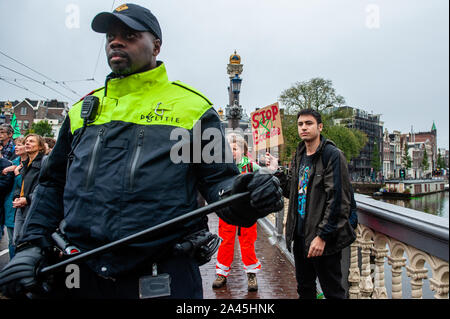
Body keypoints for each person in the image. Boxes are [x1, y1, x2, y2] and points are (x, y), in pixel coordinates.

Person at [0, 3, 283, 299]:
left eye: (130, 34)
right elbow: (52, 183)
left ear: (156, 46)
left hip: (162, 277)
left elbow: (218, 183)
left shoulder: (194, 110)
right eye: (110, 35)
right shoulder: (79, 113)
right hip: (78, 272)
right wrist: (32, 246)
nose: (116, 41)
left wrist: (246, 192)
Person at [266, 108, 356, 299]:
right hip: (300, 237)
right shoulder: (300, 154)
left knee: (333, 292)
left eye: (309, 123)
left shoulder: (332, 155)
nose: (304, 128)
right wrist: (277, 172)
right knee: (305, 289)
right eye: (300, 124)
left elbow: (339, 201)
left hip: (322, 240)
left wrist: (322, 236)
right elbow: (295, 189)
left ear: (320, 127)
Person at [213, 133, 261, 292]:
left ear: (243, 151)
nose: (232, 152)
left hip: (247, 211)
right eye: (229, 149)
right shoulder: (222, 166)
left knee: (247, 242)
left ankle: (251, 274)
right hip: (227, 210)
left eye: (235, 149)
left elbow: (264, 177)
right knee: (225, 241)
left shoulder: (251, 166)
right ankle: (222, 273)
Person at [11, 134, 46, 246]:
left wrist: (27, 199)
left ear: (40, 147)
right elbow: (19, 185)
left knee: (27, 242)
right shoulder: (25, 165)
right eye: (26, 141)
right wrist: (17, 197)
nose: (27, 143)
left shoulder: (43, 164)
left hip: (32, 207)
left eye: (31, 141)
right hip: (21, 207)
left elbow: (42, 187)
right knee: (16, 240)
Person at [2, 137, 27, 258]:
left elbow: (25, 185)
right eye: (16, 145)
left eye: (20, 145)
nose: (16, 147)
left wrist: (17, 173)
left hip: (24, 204)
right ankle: (13, 264)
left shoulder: (29, 165)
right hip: (11, 204)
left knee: (21, 240)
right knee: (12, 239)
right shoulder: (13, 163)